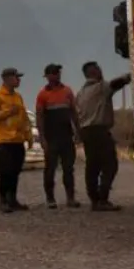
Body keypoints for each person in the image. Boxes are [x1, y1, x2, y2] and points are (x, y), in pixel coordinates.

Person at [74, 61, 131, 212]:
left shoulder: (80, 93)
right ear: (94, 72)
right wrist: (131, 75)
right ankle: (103, 198)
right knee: (110, 164)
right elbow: (116, 83)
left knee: (92, 166)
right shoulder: (100, 88)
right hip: (99, 131)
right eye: (99, 69)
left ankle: (94, 200)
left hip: (86, 132)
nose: (101, 71)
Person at [0, 67, 31, 214]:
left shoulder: (18, 97)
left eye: (19, 77)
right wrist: (7, 112)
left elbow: (23, 118)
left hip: (18, 140)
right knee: (6, 171)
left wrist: (28, 135)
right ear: (5, 79)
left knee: (15, 171)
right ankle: (3, 201)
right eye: (16, 77)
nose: (18, 80)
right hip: (4, 140)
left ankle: (13, 200)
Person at [35, 63, 81, 209]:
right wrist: (42, 138)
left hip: (66, 136)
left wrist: (78, 131)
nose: (57, 75)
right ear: (47, 76)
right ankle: (50, 198)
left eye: (58, 73)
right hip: (51, 137)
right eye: (54, 73)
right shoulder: (43, 94)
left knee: (68, 168)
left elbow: (73, 112)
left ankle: (70, 198)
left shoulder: (67, 91)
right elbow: (40, 117)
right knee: (50, 168)